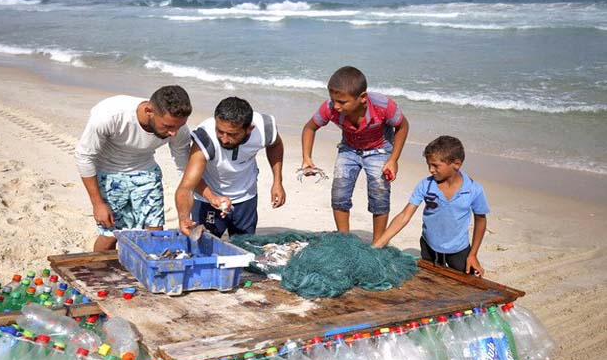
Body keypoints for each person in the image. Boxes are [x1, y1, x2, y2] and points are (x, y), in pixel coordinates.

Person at [75, 86, 192, 251]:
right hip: (108, 173)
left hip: (146, 172)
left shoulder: (178, 128)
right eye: (167, 126)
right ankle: (99, 271)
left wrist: (187, 212)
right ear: (149, 110)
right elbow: (84, 157)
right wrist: (97, 203)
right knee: (111, 234)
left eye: (178, 127)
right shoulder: (110, 115)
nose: (173, 133)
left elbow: (184, 169)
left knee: (155, 233)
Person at [301, 66, 409, 244]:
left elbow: (403, 126)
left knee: (379, 193)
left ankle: (378, 243)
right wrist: (306, 157)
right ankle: (345, 242)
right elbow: (309, 128)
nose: (336, 106)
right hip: (349, 148)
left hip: (379, 149)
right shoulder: (330, 108)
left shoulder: (383, 106)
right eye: (333, 100)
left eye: (342, 102)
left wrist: (393, 160)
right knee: (339, 194)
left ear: (363, 98)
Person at [374, 136, 489, 276]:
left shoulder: (474, 190)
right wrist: (380, 243)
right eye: (428, 164)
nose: (430, 170)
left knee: (462, 285)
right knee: (431, 280)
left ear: (456, 164)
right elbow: (404, 215)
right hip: (429, 247)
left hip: (459, 250)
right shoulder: (426, 185)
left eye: (435, 165)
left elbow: (481, 220)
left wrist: (473, 255)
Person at [175, 96, 285, 237]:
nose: (224, 139)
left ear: (249, 129)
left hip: (246, 197)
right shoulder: (205, 138)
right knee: (205, 248)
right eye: (220, 131)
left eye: (232, 134)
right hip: (207, 199)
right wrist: (185, 217)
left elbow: (275, 145)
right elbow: (187, 186)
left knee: (244, 246)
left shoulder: (265, 128)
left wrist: (277, 182)